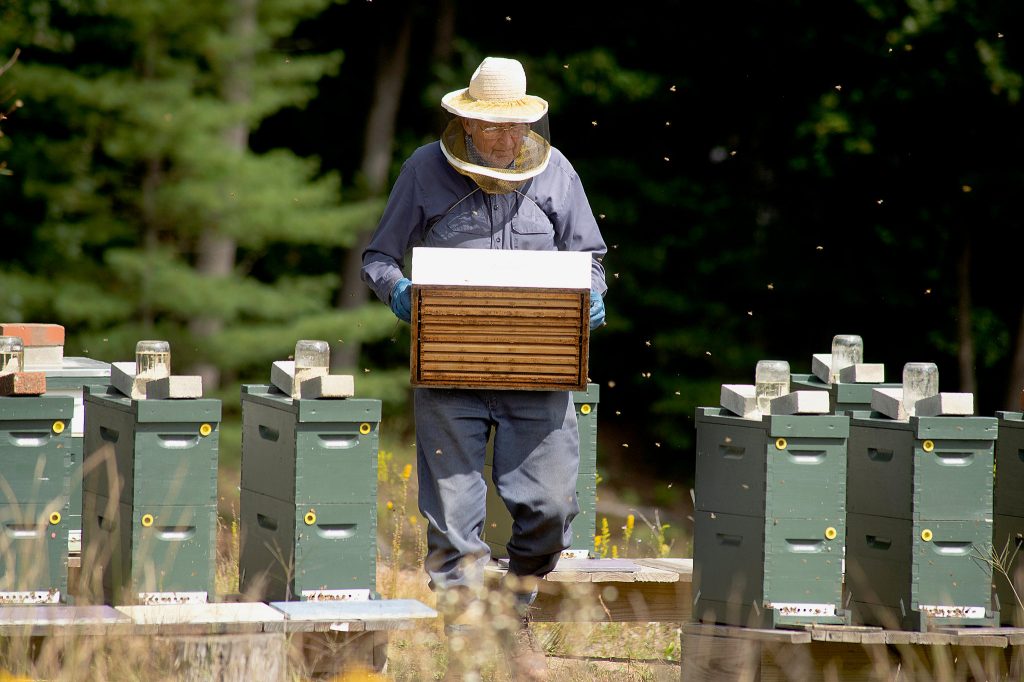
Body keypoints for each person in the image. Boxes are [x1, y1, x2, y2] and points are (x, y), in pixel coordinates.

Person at [361, 56, 608, 680]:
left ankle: (512, 606)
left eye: (514, 128)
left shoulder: (559, 174)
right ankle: (471, 648)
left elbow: (591, 258)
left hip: (540, 376)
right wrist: (399, 293)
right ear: (466, 123)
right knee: (453, 521)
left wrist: (593, 297)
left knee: (551, 508)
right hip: (450, 378)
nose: (504, 139)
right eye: (491, 128)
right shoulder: (424, 169)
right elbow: (379, 257)